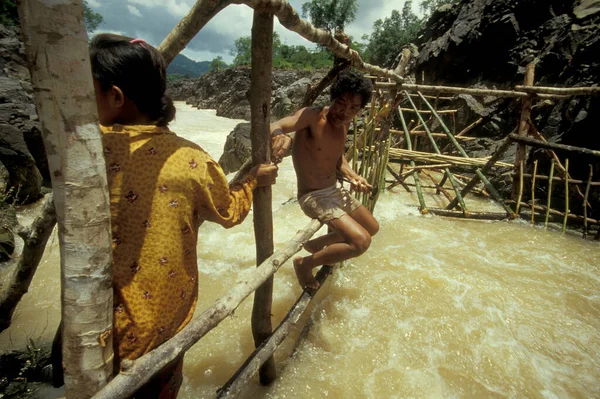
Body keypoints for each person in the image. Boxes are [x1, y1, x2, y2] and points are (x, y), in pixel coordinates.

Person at [89, 33, 278, 398]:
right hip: (161, 323)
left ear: (115, 97)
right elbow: (228, 211)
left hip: (94, 328)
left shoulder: (84, 147)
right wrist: (253, 180)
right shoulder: (190, 160)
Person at [270, 69, 379, 291]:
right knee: (361, 241)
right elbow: (275, 124)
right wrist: (279, 136)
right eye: (341, 103)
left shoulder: (345, 123)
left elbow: (338, 159)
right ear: (333, 98)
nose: (346, 111)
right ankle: (304, 264)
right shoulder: (313, 116)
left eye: (354, 108)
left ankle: (318, 244)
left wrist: (354, 176)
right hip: (313, 196)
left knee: (372, 227)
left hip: (334, 191)